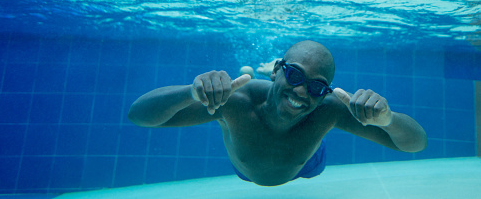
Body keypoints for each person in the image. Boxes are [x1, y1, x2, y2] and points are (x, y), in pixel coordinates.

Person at [128, 40, 427, 186]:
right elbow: (138, 115)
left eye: (316, 87)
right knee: (243, 85)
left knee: (312, 147)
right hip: (246, 170)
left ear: (325, 91)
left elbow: (415, 143)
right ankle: (252, 72)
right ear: (277, 71)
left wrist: (387, 119)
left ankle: (257, 70)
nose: (301, 92)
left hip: (307, 165)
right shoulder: (234, 103)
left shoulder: (328, 109)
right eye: (294, 76)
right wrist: (190, 92)